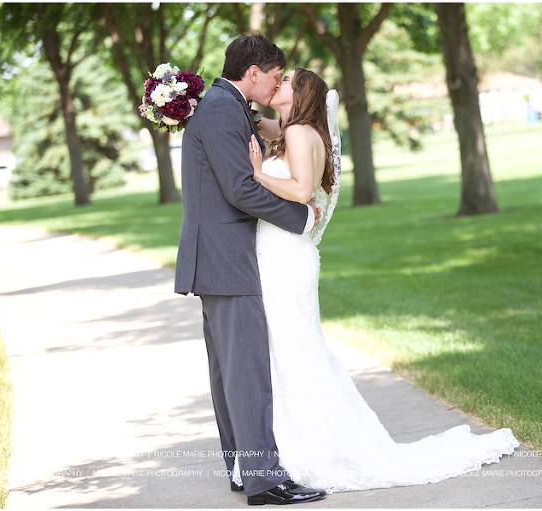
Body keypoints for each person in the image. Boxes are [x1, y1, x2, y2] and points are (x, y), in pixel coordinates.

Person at [245, 67, 520, 494]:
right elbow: (267, 126)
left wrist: (258, 172)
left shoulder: (299, 133)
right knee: (292, 350)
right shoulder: (295, 128)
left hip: (286, 257)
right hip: (288, 255)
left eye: (285, 82)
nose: (276, 84)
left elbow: (300, 192)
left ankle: (317, 454)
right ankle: (297, 447)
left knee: (292, 352)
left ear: (300, 96)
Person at [174, 34, 326, 506]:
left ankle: (243, 468)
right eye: (276, 77)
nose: (277, 84)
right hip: (225, 256)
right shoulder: (222, 108)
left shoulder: (226, 104)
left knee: (228, 371)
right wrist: (301, 218)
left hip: (218, 256)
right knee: (245, 372)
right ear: (253, 72)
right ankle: (264, 479)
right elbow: (240, 189)